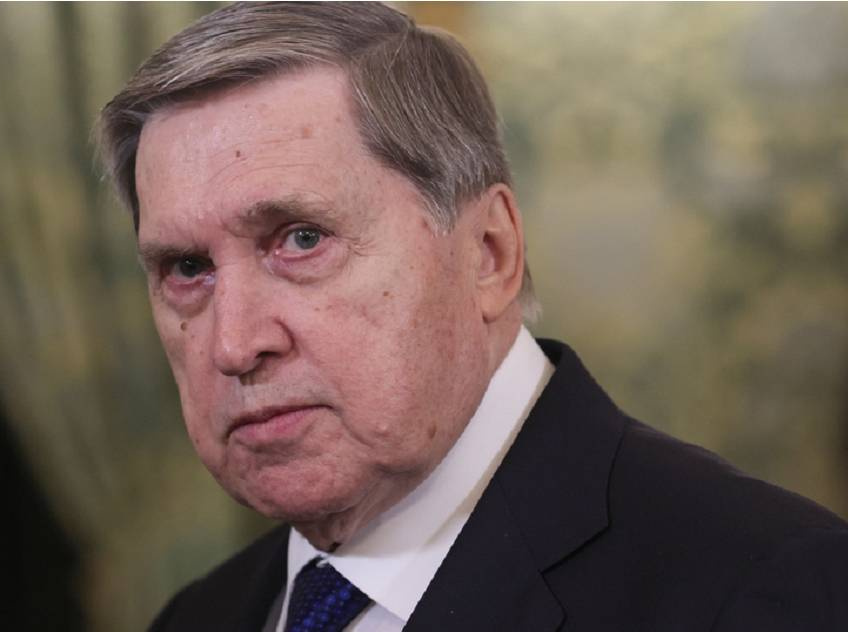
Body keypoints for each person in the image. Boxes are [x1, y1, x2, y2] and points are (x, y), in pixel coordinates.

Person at [95, 3, 848, 631]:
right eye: (186, 268)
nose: (234, 344)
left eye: (301, 239)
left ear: (489, 253)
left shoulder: (769, 592)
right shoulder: (199, 617)